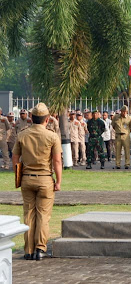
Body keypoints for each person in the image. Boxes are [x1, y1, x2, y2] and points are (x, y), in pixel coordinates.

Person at [12, 103, 62, 261]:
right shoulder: (52, 136)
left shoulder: (22, 134)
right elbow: (57, 161)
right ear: (47, 119)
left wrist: (18, 175)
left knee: (29, 214)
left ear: (31, 118)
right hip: (45, 179)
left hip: (27, 178)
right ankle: (40, 249)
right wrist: (58, 181)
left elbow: (15, 157)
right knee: (43, 215)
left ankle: (28, 250)